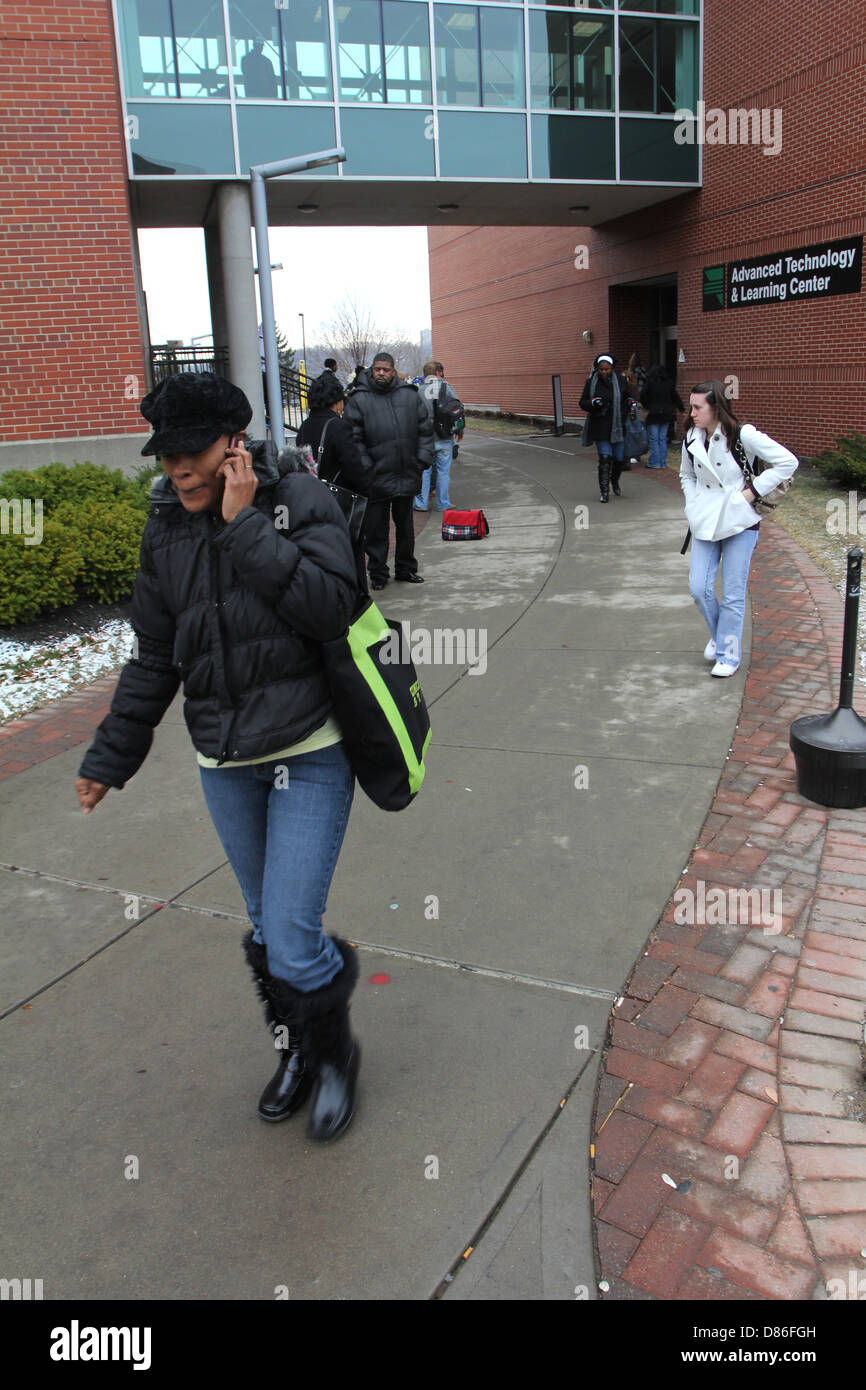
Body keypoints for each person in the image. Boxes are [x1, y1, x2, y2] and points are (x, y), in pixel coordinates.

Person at [74, 373, 363, 1143]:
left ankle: (337, 1058)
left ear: (234, 444)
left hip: (307, 750)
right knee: (268, 932)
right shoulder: (164, 525)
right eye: (165, 457)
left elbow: (335, 609)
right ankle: (299, 1047)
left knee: (294, 937)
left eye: (191, 452)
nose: (177, 470)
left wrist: (245, 529)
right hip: (224, 761)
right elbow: (154, 656)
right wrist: (112, 754)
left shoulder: (298, 501)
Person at [681, 380, 798, 677]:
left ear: (716, 408)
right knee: (698, 588)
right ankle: (721, 636)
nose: (692, 412)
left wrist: (751, 493)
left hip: (740, 520)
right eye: (691, 406)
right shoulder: (691, 438)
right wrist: (692, 503)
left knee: (733, 594)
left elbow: (787, 462)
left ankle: (729, 656)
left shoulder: (742, 434)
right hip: (704, 520)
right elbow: (686, 475)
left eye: (698, 407)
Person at [343, 351, 434, 590]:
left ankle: (406, 569)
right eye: (377, 369)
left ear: (393, 371)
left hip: (406, 473)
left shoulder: (409, 396)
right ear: (371, 371)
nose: (381, 373)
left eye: (386, 369)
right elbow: (353, 438)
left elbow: (425, 430)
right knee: (377, 530)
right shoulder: (358, 400)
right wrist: (367, 468)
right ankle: (378, 574)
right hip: (376, 477)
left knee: (405, 528)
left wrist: (422, 460)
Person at [296, 373, 371, 591]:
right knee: (351, 556)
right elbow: (354, 468)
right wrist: (367, 491)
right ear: (337, 401)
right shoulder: (338, 426)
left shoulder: (305, 426)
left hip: (311, 501)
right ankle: (356, 604)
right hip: (340, 505)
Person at [579, 353, 636, 503]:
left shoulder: (621, 381)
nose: (604, 372)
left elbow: (628, 397)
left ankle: (614, 481)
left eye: (607, 369)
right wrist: (592, 402)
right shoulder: (591, 382)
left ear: (612, 368)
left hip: (618, 426)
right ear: (597, 368)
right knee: (605, 458)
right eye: (601, 369)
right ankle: (604, 492)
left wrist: (630, 402)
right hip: (600, 426)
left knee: (618, 458)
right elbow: (582, 402)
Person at [415, 359, 463, 512]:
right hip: (444, 437)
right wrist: (459, 430)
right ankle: (443, 503)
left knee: (425, 471)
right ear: (437, 372)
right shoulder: (446, 387)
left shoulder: (418, 391)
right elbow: (458, 410)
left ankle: (421, 503)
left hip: (425, 439)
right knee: (443, 472)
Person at [640, 365, 684, 469]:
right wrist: (680, 407)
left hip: (653, 413)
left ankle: (654, 462)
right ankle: (662, 462)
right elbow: (675, 396)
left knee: (654, 439)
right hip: (666, 413)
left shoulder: (650, 382)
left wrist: (647, 406)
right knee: (662, 438)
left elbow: (643, 395)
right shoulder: (669, 382)